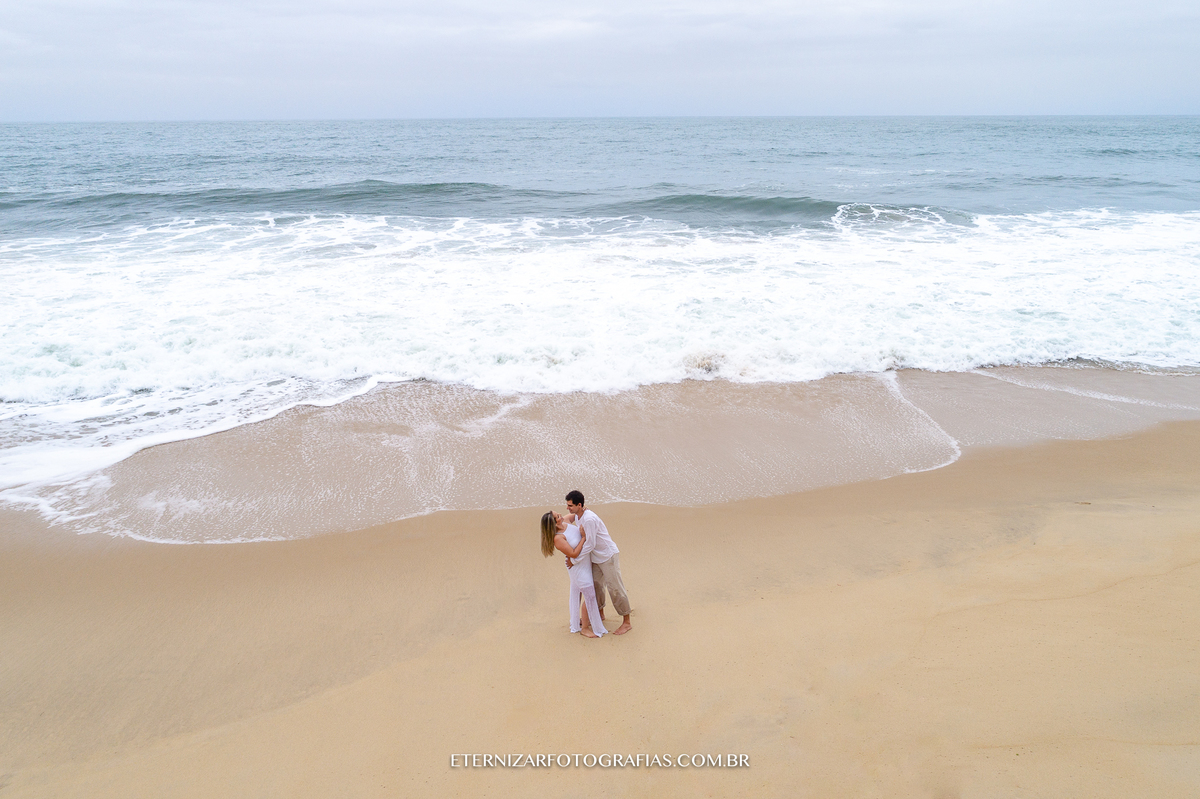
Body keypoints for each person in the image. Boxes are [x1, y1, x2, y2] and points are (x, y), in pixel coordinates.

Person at [565, 490, 632, 635]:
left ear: (579, 505)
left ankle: (627, 622)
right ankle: (599, 614)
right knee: (596, 587)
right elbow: (565, 520)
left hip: (607, 556)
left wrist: (574, 559)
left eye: (570, 505)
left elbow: (590, 544)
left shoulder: (589, 519)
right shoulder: (579, 515)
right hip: (595, 557)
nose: (567, 508)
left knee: (615, 588)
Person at [540, 511, 606, 638]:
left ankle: (580, 622)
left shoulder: (565, 521)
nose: (560, 515)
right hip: (577, 568)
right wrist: (583, 538)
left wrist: (583, 507)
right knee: (590, 595)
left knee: (580, 594)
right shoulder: (558, 538)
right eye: (557, 516)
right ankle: (585, 628)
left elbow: (576, 514)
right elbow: (573, 554)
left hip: (585, 564)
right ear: (554, 523)